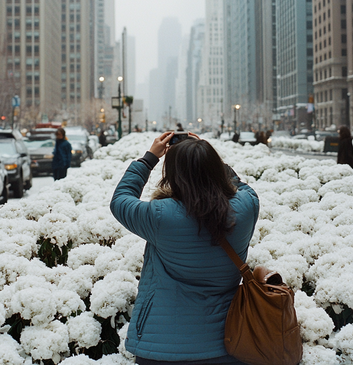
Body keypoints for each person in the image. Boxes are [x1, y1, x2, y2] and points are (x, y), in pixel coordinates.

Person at [110, 132, 259, 364]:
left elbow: (120, 200)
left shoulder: (161, 215)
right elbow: (240, 186)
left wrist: (149, 158)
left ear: (173, 175)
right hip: (228, 342)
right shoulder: (247, 207)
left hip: (161, 348)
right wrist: (203, 156)